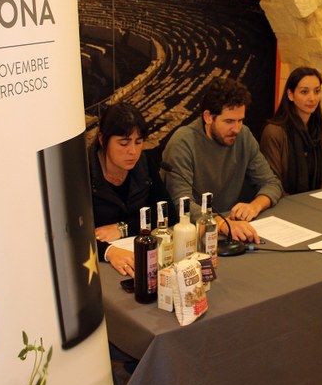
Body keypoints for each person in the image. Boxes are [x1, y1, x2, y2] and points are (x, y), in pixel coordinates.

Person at [161, 77, 283, 243]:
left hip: (229, 227)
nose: (236, 129)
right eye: (229, 121)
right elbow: (182, 204)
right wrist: (221, 223)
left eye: (240, 120)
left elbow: (271, 183)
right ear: (208, 117)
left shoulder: (244, 136)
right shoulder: (182, 143)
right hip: (191, 235)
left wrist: (254, 206)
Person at [89, 102, 176, 277]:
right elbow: (72, 235)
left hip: (138, 256)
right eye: (124, 143)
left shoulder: (143, 163)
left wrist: (122, 228)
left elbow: (168, 214)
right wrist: (108, 251)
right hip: (97, 265)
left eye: (138, 142)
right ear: (102, 140)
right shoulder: (82, 172)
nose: (133, 151)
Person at [259, 67, 322, 194]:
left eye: (317, 91)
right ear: (290, 95)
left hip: (314, 200)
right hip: (284, 201)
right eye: (304, 92)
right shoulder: (274, 132)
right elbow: (272, 183)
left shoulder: (317, 127)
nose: (312, 98)